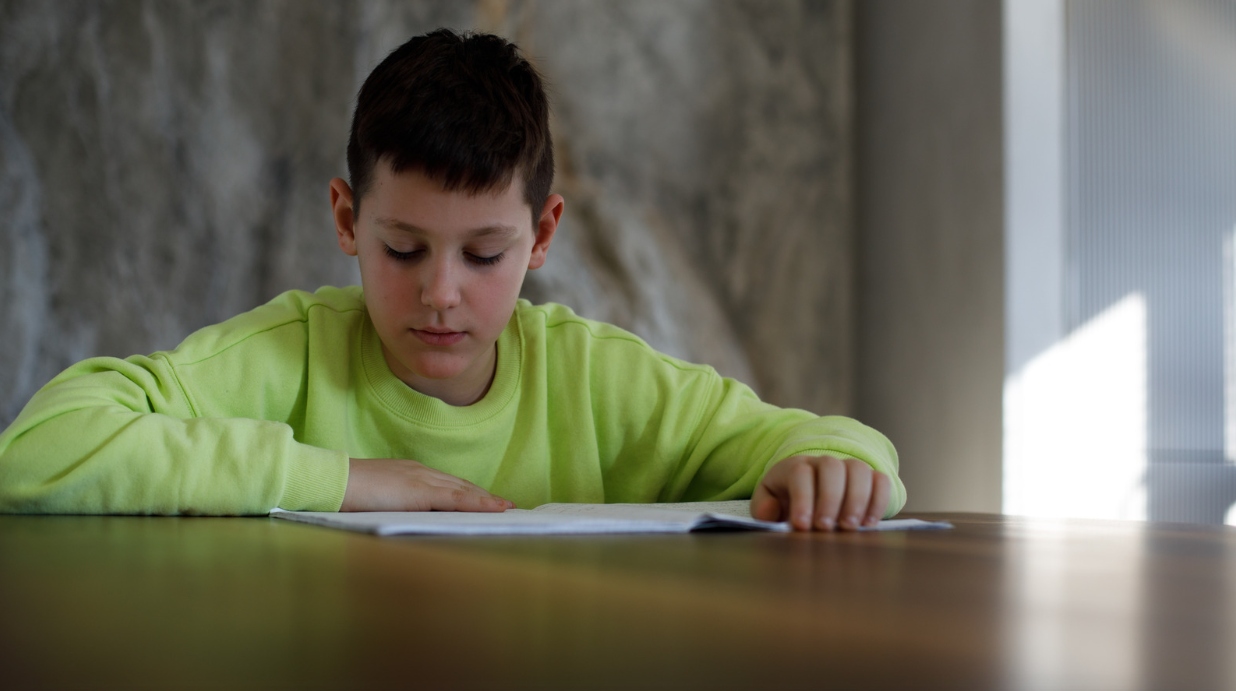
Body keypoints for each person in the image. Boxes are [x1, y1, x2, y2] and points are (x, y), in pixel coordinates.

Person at [0, 29, 904, 531]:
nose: (440, 292)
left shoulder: (593, 377)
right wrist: (343, 480)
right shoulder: (289, 357)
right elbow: (38, 450)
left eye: (483, 255)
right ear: (347, 220)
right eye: (402, 249)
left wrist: (842, 467)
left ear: (543, 235)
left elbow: (834, 445)